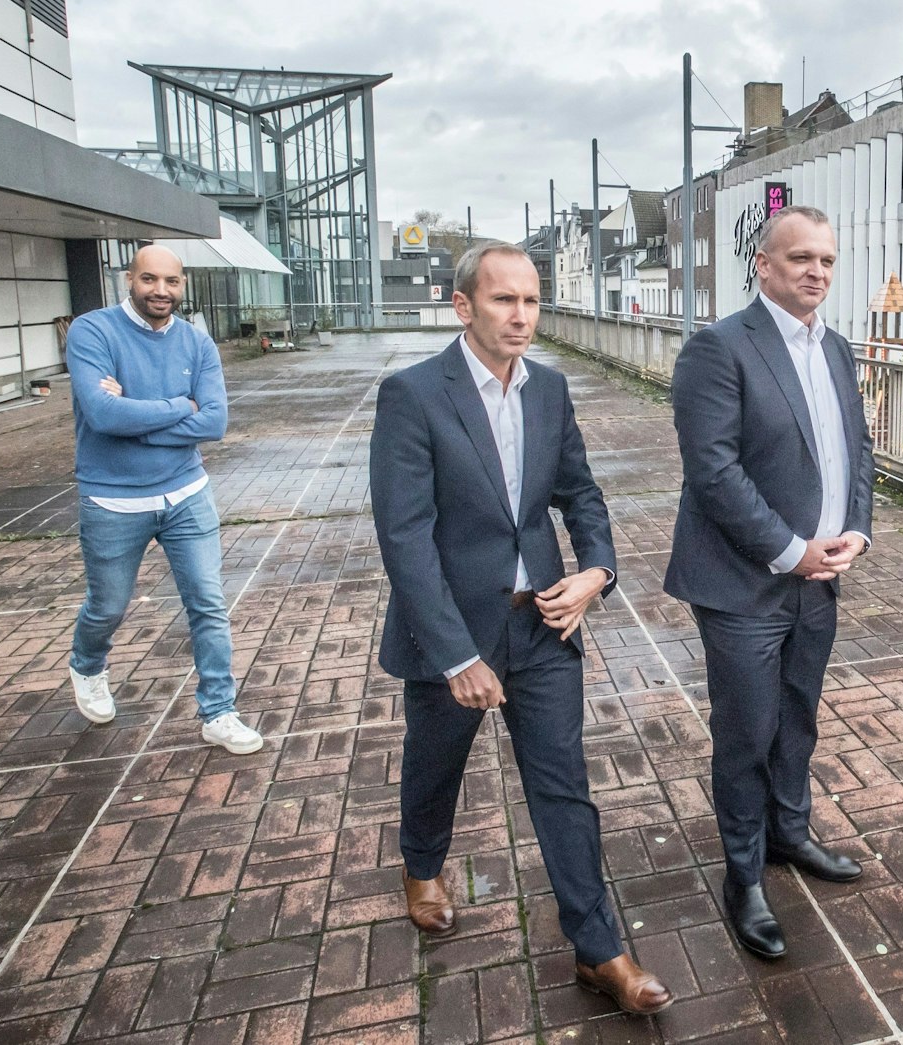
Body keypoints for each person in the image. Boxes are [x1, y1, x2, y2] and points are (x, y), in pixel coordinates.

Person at [368, 242, 671, 1016]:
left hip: (541, 624)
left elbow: (581, 493)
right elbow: (405, 536)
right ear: (463, 305)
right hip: (452, 634)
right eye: (504, 300)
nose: (522, 316)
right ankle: (422, 863)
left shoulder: (550, 389)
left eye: (531, 300)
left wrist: (597, 571)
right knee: (436, 764)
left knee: (564, 785)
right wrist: (456, 655)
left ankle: (599, 949)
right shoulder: (413, 395)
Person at [664, 205, 875, 960]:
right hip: (743, 583)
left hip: (820, 578)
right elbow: (713, 471)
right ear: (763, 265)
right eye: (800, 259)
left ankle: (791, 834)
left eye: (826, 259)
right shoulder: (718, 349)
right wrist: (792, 550)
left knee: (797, 716)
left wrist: (857, 525)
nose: (816, 271)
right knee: (747, 731)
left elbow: (857, 447)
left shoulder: (839, 349)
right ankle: (744, 873)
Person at [63, 244, 262, 754]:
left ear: (183, 284)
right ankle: (87, 665)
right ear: (129, 279)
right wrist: (179, 406)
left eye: (171, 281)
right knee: (108, 606)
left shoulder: (197, 344)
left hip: (187, 495)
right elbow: (104, 418)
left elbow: (214, 422)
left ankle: (218, 712)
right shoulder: (92, 331)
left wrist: (134, 415)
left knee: (209, 604)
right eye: (149, 279)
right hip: (113, 501)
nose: (161, 291)